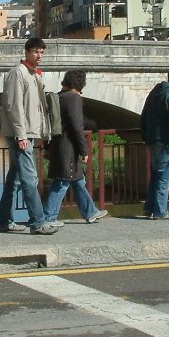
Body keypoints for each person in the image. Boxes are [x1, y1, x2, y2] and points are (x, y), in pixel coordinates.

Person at [0, 37, 61, 235]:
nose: (39, 55)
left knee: (14, 180)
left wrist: (42, 131)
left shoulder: (34, 75)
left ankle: (4, 222)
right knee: (30, 178)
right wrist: (21, 136)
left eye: (42, 52)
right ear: (26, 52)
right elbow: (14, 107)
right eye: (35, 52)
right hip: (20, 135)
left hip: (28, 133)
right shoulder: (18, 73)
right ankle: (38, 222)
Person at [43, 70, 109, 224]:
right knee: (62, 182)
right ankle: (48, 218)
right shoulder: (74, 98)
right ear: (80, 83)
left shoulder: (59, 97)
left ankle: (90, 211)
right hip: (68, 147)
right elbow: (77, 126)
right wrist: (84, 149)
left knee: (77, 180)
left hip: (57, 144)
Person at [140, 64, 169, 220]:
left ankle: (149, 208)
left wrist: (145, 137)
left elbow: (144, 115)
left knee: (155, 175)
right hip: (165, 142)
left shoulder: (155, 92)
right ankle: (161, 211)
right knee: (164, 177)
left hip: (152, 140)